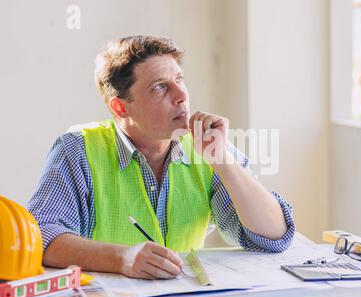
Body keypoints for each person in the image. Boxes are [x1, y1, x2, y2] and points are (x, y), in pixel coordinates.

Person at [28, 35, 295, 280]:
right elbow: (40, 237)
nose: (181, 96)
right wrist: (121, 258)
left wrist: (223, 160)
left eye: (179, 80)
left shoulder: (207, 147)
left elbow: (272, 236)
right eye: (160, 87)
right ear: (121, 107)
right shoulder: (78, 149)